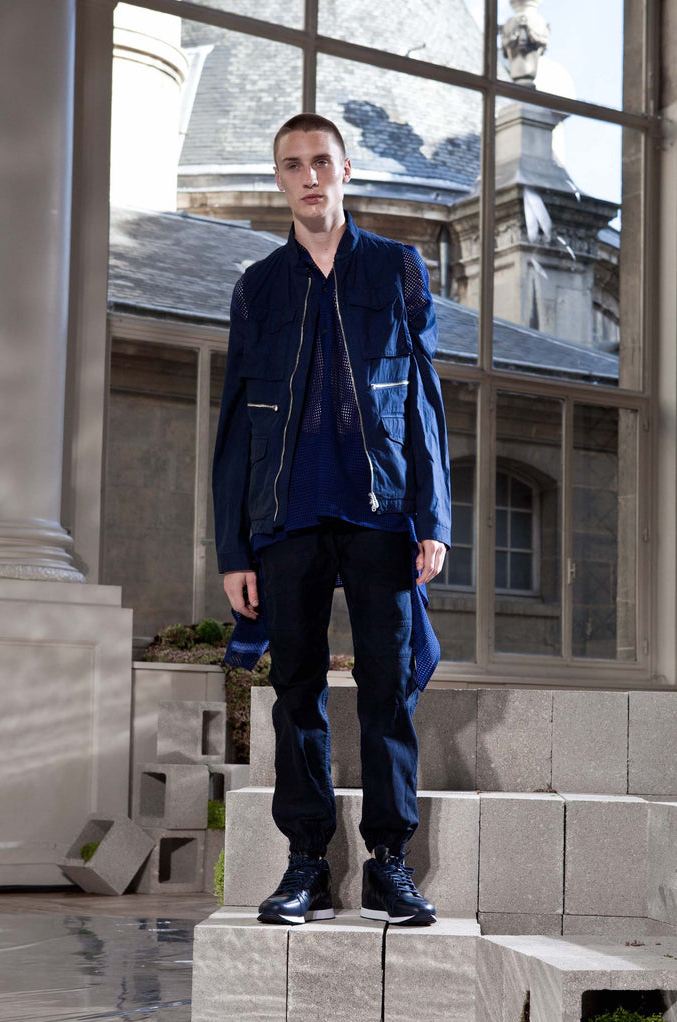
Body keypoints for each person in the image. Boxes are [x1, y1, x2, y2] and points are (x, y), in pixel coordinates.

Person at [212, 113, 450, 927]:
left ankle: (390, 864)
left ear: (346, 171)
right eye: (293, 164)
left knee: (388, 688)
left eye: (321, 161)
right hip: (286, 517)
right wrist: (234, 548)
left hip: (382, 510)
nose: (309, 176)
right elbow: (235, 424)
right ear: (280, 179)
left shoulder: (396, 267)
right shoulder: (257, 287)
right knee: (297, 692)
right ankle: (306, 863)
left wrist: (433, 516)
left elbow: (423, 400)